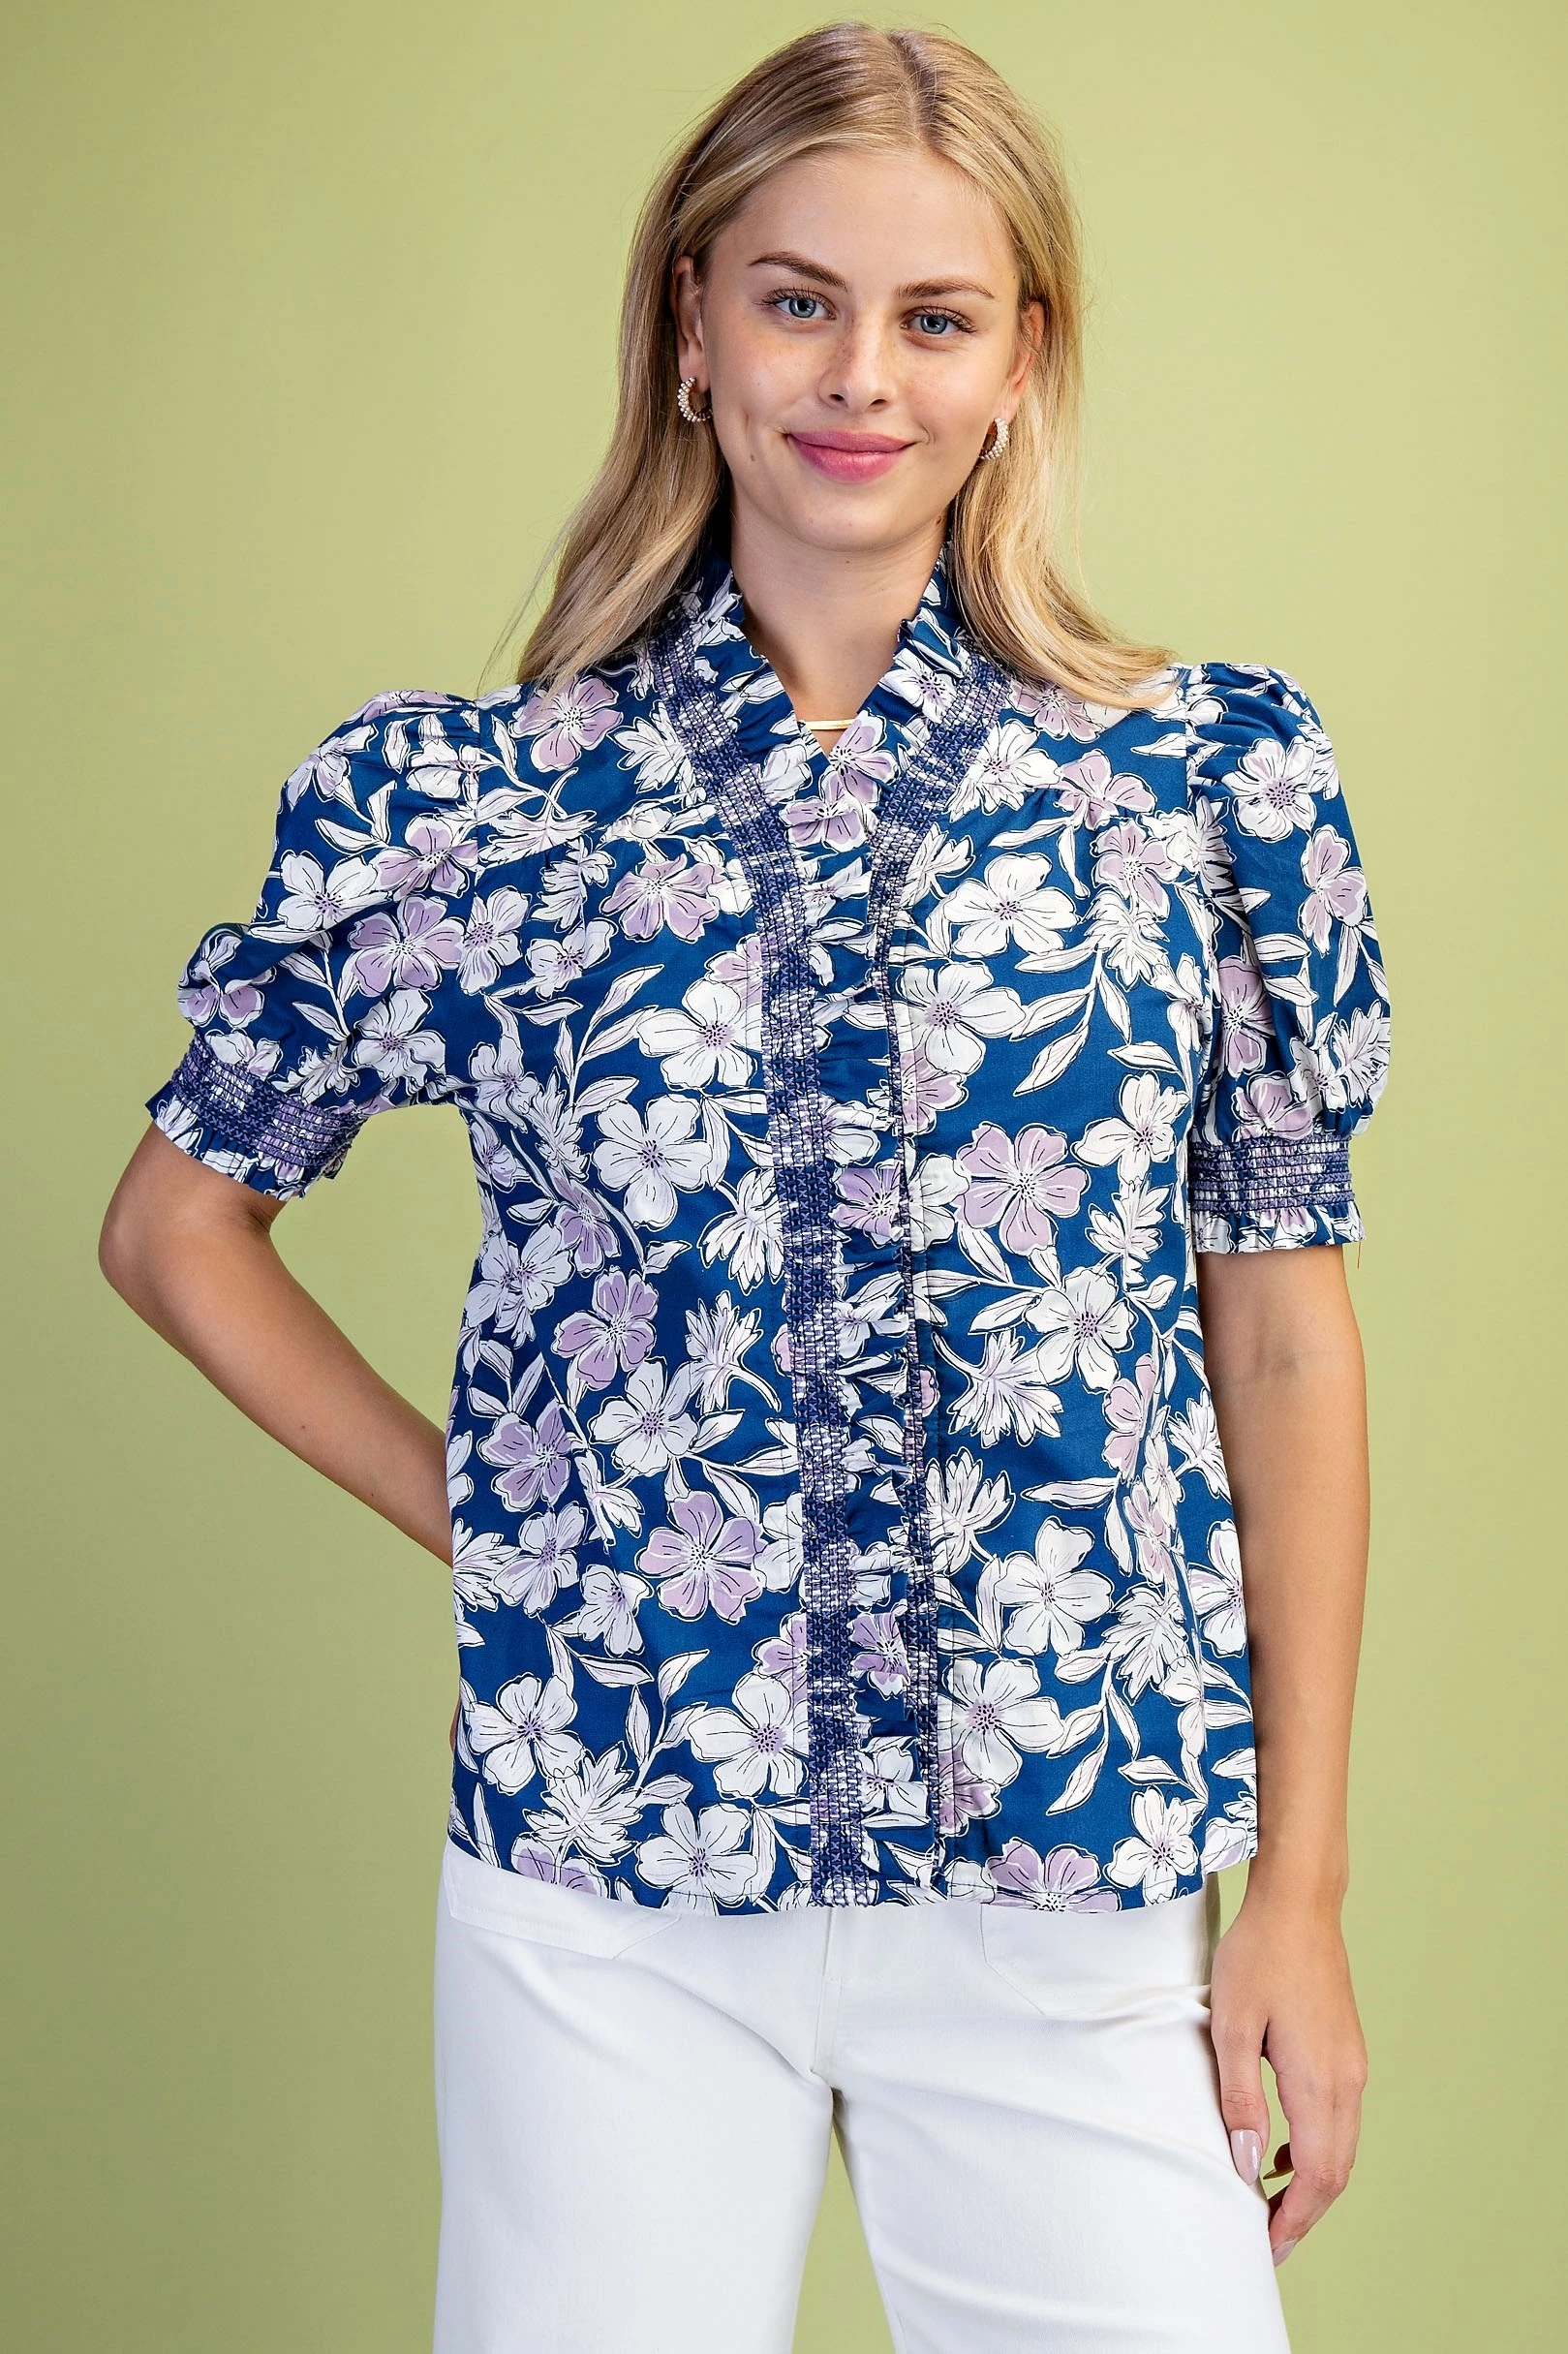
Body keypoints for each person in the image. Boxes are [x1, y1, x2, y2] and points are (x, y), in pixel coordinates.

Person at [99, 21, 1391, 2353]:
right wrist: (498, 1520)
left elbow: (1278, 1328)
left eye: (932, 317)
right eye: (797, 301)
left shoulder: (1200, 789)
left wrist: (1293, 1885)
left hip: (1068, 1866)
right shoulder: (470, 808)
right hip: (604, 1878)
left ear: (1018, 361)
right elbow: (173, 1227)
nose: (858, 378)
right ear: (688, 325)